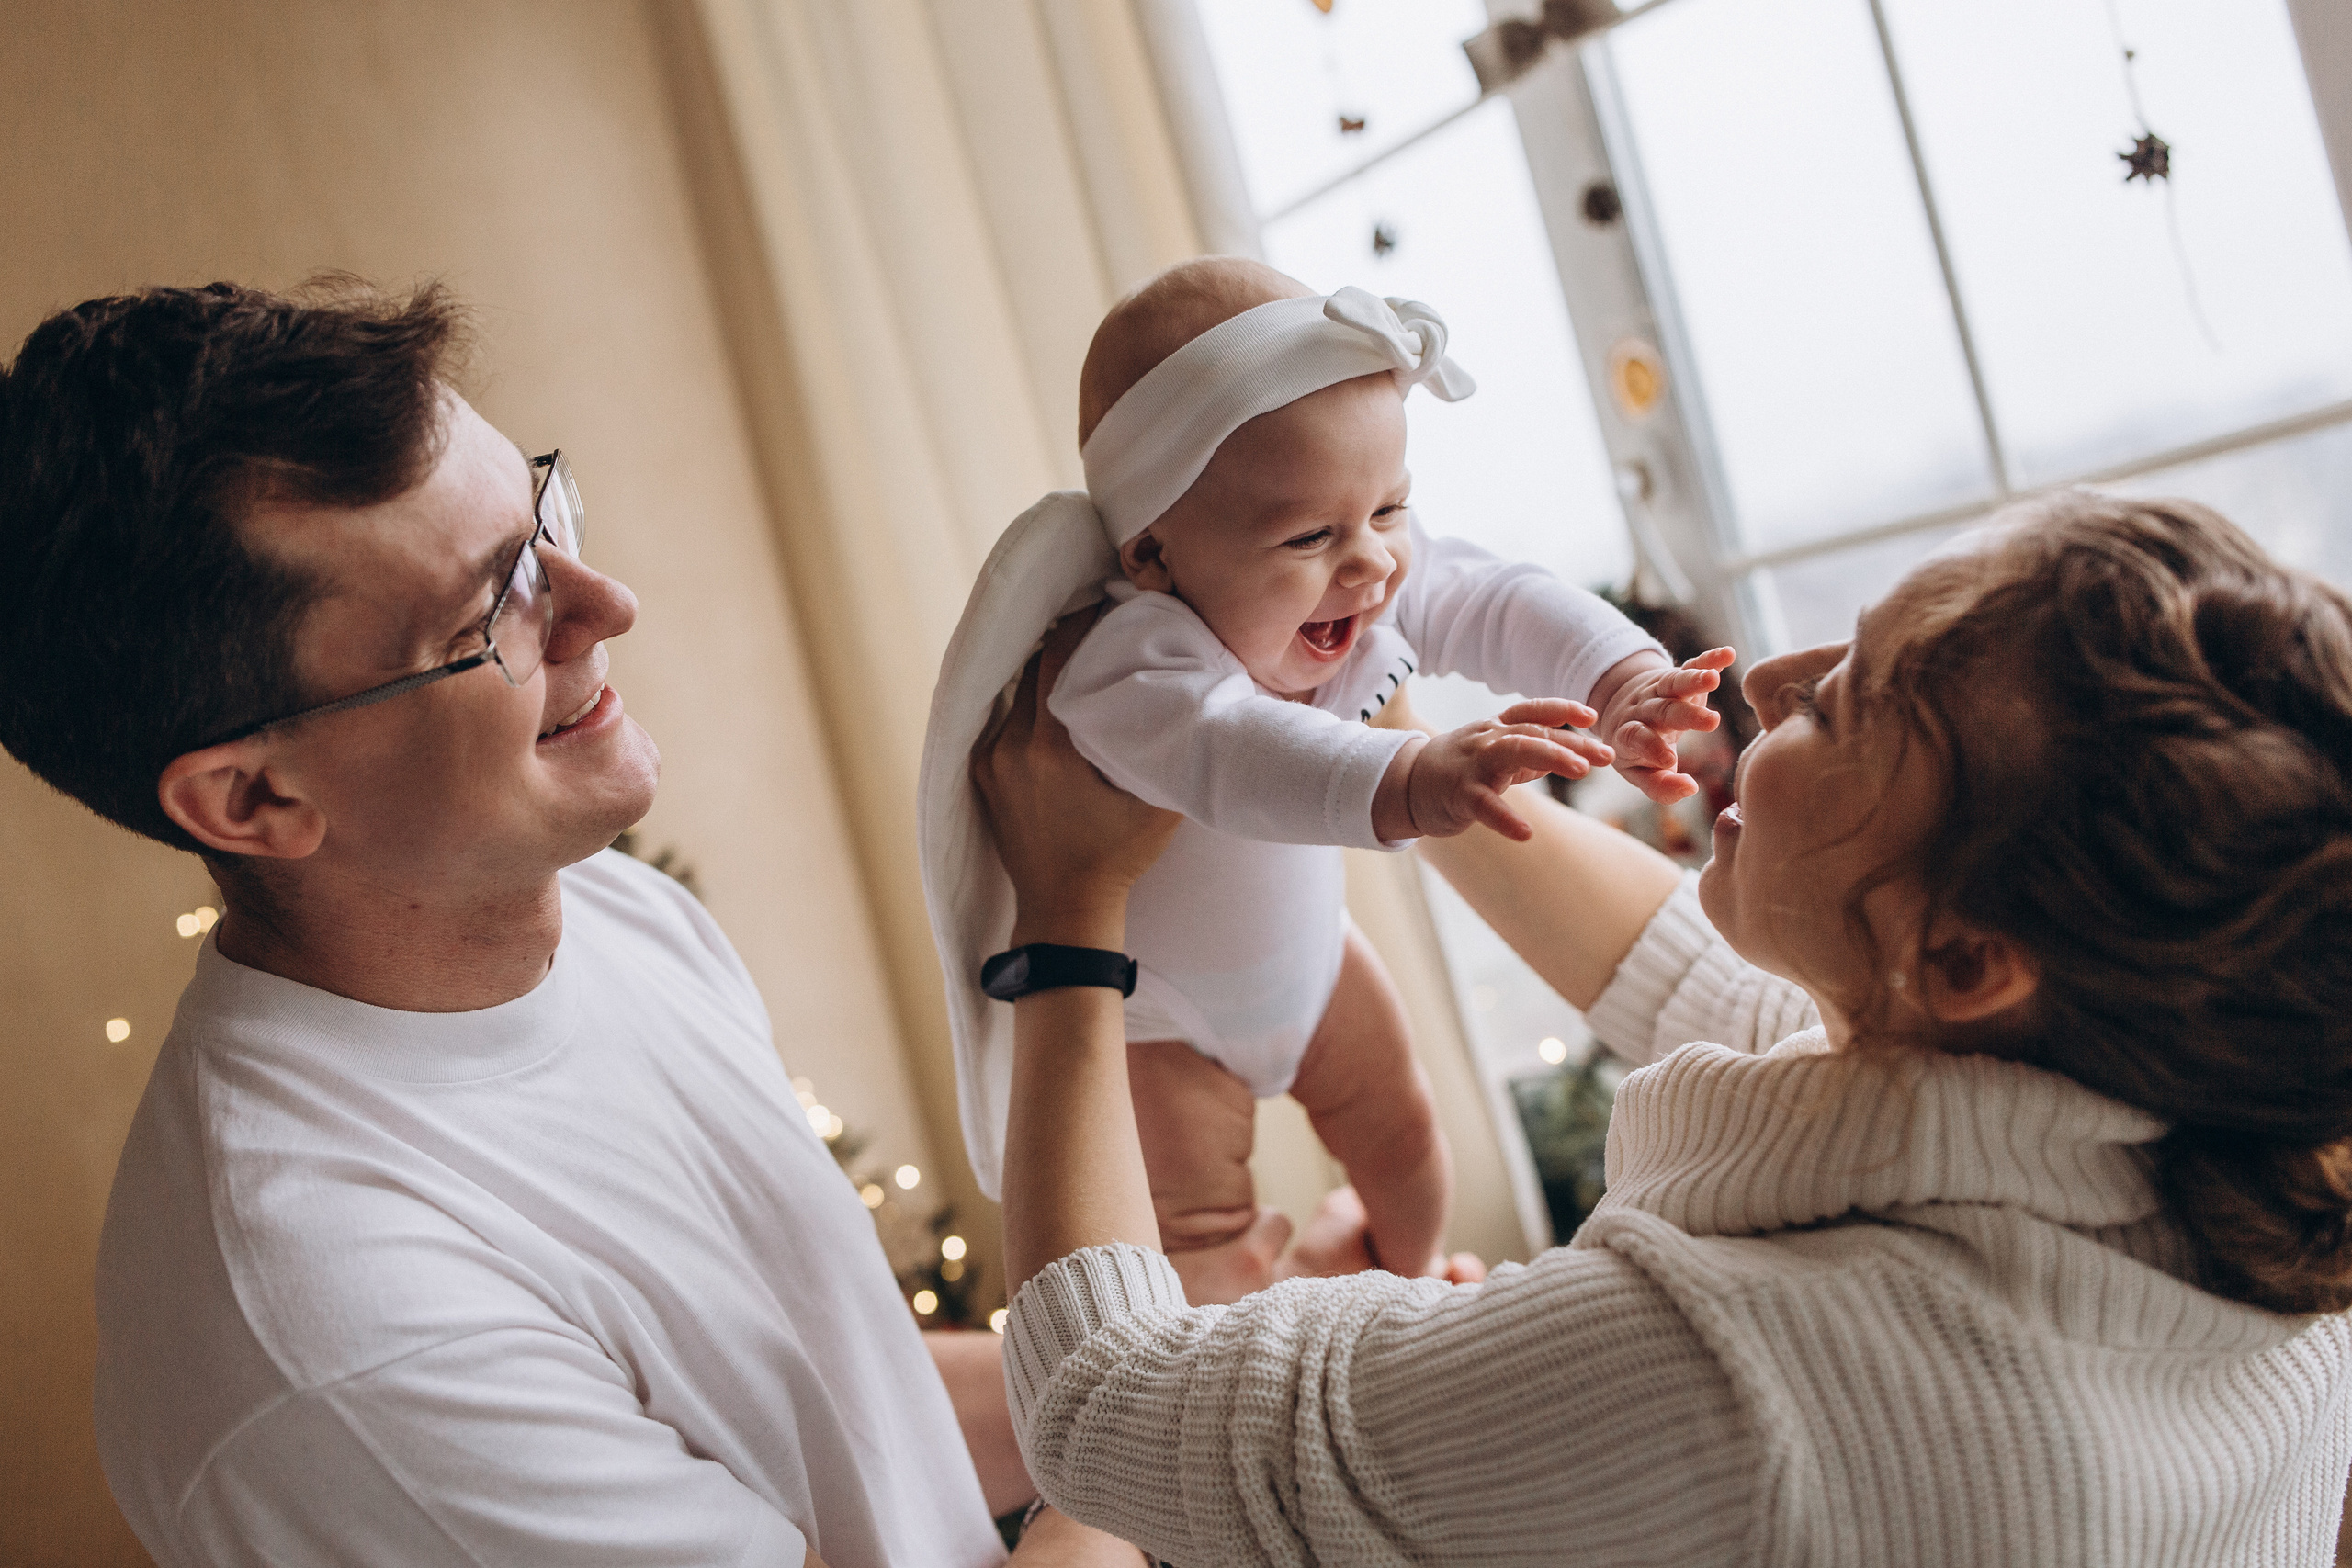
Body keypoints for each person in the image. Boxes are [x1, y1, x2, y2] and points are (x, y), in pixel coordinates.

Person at [973, 491, 2352, 1564]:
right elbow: (1680, 970)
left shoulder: (1750, 1385)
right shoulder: (2228, 1169)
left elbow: (1103, 1410)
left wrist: (1072, 916)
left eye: (1860, 693)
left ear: (1968, 953)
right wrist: (1366, 718)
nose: (1775, 678)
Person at [0, 279, 1139, 1567]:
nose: (604, 603)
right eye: (492, 611)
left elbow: (833, 1408)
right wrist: (1069, 926)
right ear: (256, 794)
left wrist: (1231, 1340)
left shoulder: (600, 901)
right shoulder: (343, 1316)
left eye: (544, 519)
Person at [922, 256, 1727, 1303]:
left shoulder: (1369, 562)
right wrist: (1413, 772)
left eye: (1390, 509)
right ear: (1155, 552)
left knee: (1405, 1135)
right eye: (1309, 536)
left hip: (1310, 966)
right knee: (1199, 1240)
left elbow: (1494, 597)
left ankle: (1411, 1284)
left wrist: (1620, 675)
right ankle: (1237, 1374)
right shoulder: (1124, 661)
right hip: (1159, 1021)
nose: (1372, 565)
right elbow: (1237, 752)